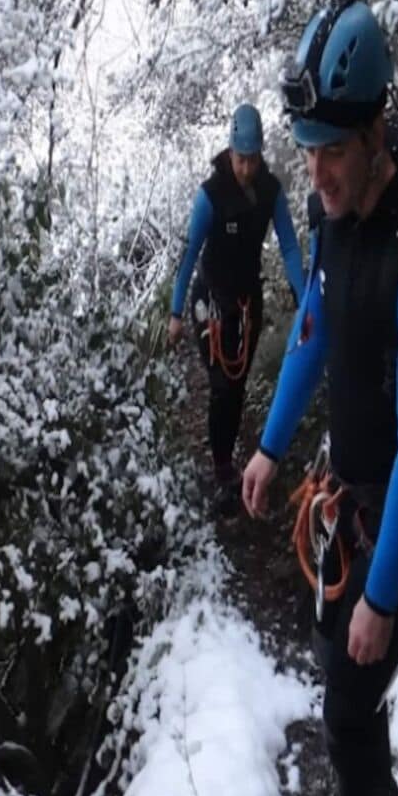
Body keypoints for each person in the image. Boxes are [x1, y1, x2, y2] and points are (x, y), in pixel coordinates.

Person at [241, 0, 398, 796]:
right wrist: (268, 444)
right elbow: (315, 326)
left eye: (333, 149)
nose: (317, 170)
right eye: (308, 148)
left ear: (376, 130)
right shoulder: (335, 212)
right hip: (355, 486)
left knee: (343, 699)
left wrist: (381, 594)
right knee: (341, 662)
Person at [168, 103, 305, 516]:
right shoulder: (211, 195)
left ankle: (230, 456)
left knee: (238, 383)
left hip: (247, 301)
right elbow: (189, 254)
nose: (246, 167)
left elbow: (289, 245)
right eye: (240, 159)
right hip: (210, 299)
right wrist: (176, 313)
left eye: (252, 159)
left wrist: (304, 298)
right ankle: (223, 469)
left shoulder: (270, 191)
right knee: (222, 384)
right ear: (230, 152)